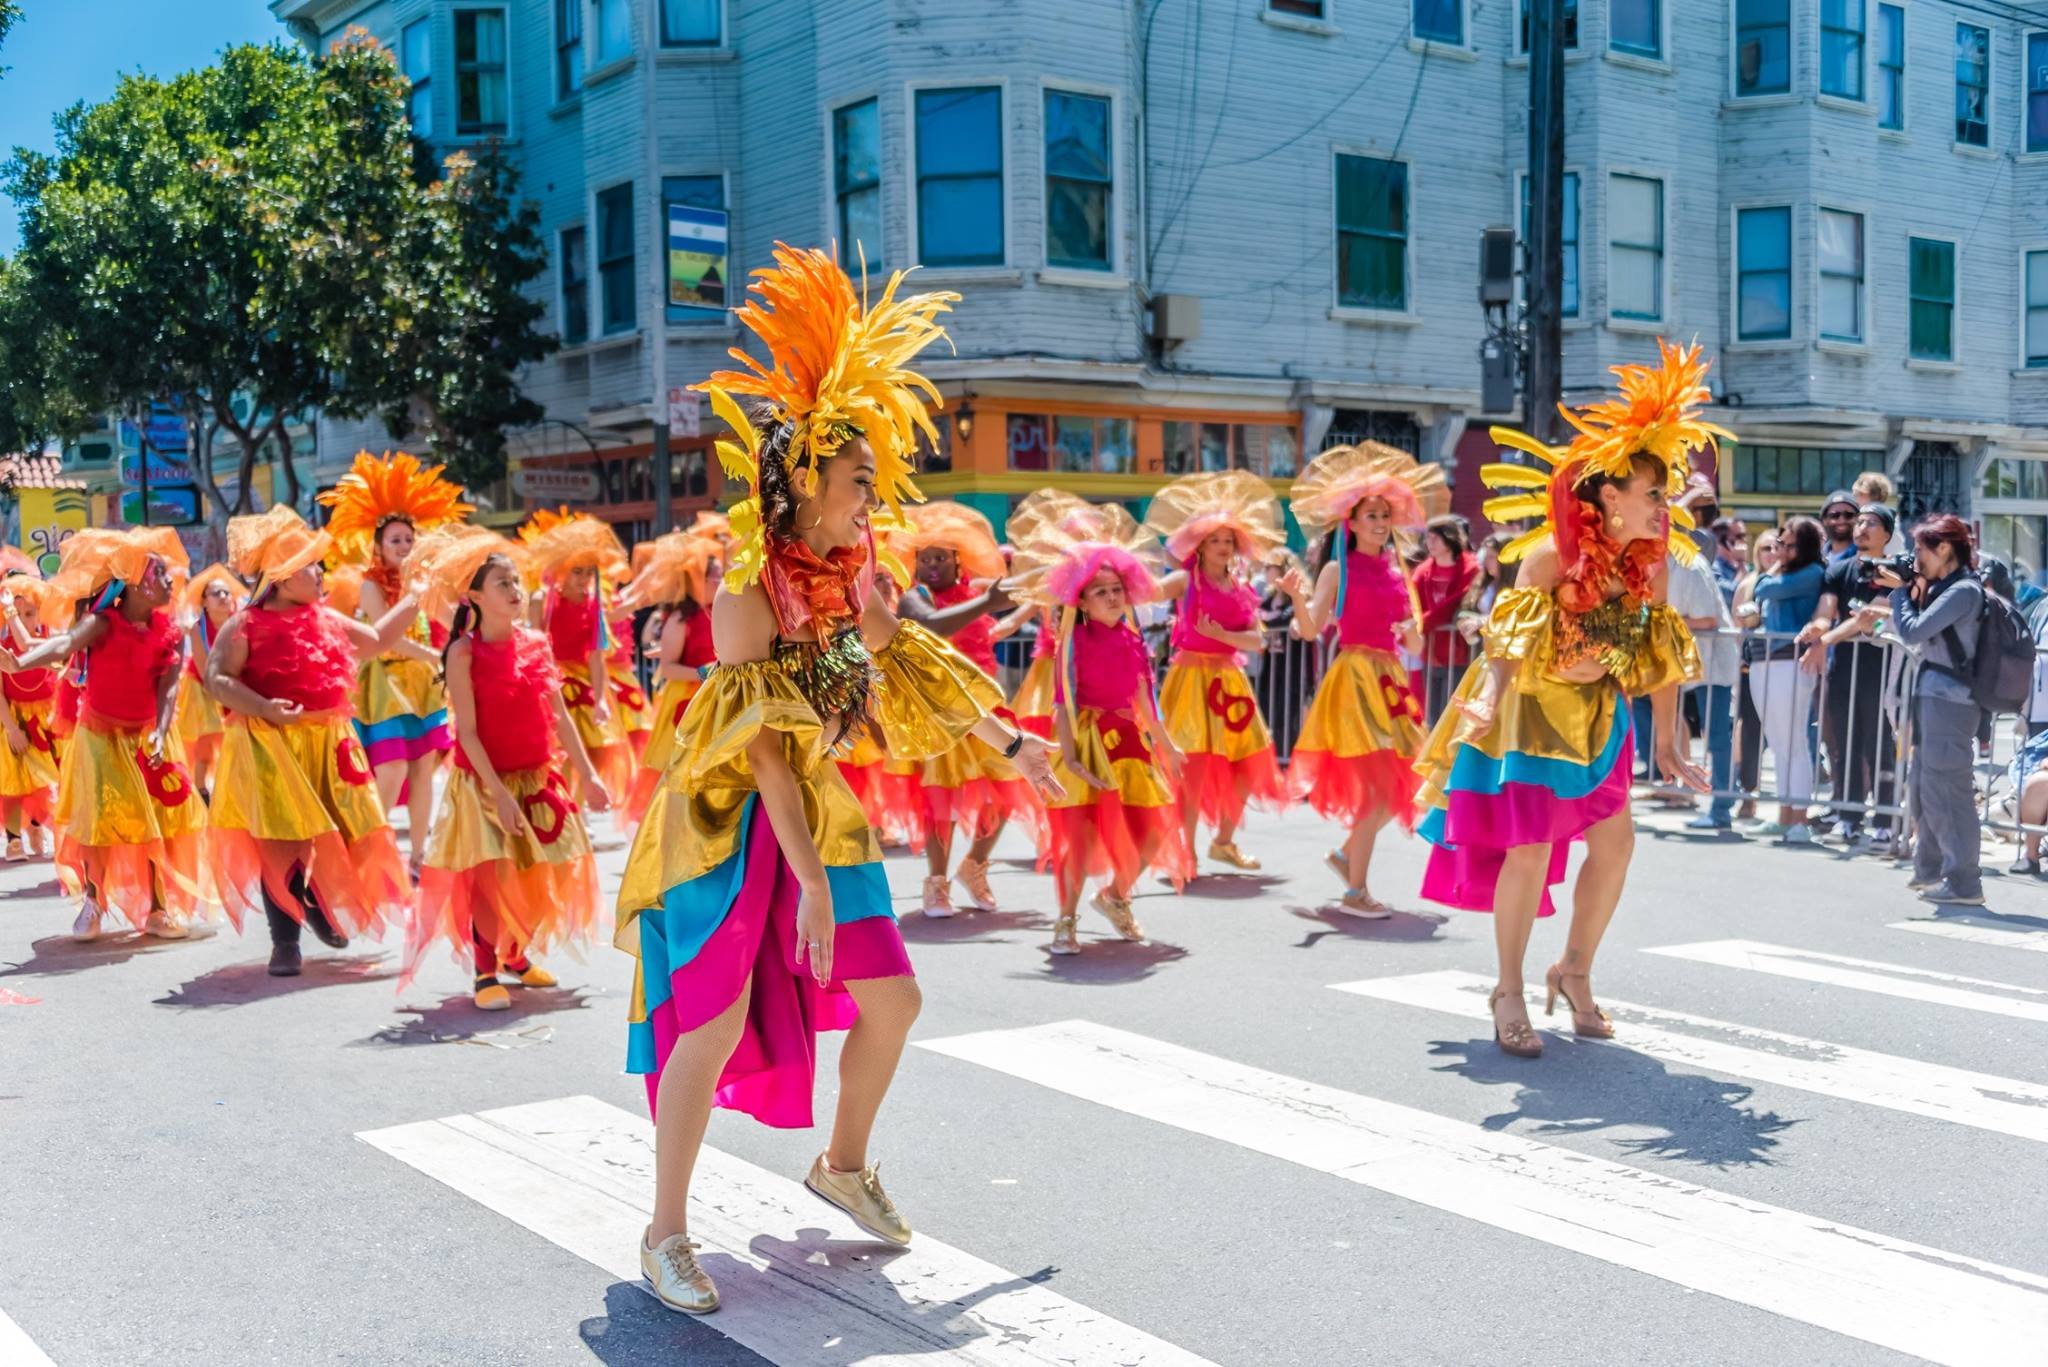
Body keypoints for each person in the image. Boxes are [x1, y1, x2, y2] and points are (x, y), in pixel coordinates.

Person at [614, 247, 1058, 1315]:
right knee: (710, 1019)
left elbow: (907, 667)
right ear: (807, 476)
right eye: (862, 477)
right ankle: (665, 1230)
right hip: (726, 825)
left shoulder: (857, 579)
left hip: (816, 808)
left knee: (894, 998)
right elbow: (758, 744)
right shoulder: (744, 596)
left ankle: (841, 1162)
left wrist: (1009, 741)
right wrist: (807, 876)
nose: (877, 495)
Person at [1415, 339, 1712, 1057]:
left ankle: (1573, 969)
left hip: (1603, 721)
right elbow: (1507, 640)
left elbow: (1659, 656)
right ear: (1609, 496)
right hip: (1531, 720)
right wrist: (1485, 698)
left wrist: (1670, 740)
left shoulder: (1653, 570)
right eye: (1652, 494)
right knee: (1529, 851)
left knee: (1617, 847)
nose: (1663, 507)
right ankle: (1507, 989)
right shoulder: (1551, 557)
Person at [206, 506, 423, 975]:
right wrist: (262, 707)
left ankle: (319, 903)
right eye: (310, 565)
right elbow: (217, 677)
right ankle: (285, 944)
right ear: (282, 579)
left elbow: (378, 639)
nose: (321, 571)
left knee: (348, 831)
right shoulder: (243, 625)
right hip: (272, 747)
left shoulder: (328, 618)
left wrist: (415, 598)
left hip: (330, 741)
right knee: (284, 841)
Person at [405, 529, 610, 1009]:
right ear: (473, 595)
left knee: (544, 869)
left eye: (516, 581)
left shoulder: (537, 642)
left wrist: (591, 775)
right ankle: (484, 971)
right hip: (482, 783)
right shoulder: (463, 652)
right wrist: (497, 792)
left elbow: (560, 719)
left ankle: (516, 954)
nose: (515, 590)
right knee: (490, 875)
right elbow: (468, 733)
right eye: (502, 583)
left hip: (538, 777)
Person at [0, 529, 207, 941]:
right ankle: (93, 902)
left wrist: (162, 733)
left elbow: (168, 690)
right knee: (100, 821)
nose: (170, 582)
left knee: (159, 820)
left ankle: (159, 908)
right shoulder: (102, 622)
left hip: (148, 737)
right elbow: (63, 646)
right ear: (134, 584)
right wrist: (19, 664)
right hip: (99, 737)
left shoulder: (170, 631)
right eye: (160, 574)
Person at [1013, 503, 1190, 951]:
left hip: (1128, 739)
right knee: (1080, 833)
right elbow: (1063, 702)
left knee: (1154, 827)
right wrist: (1069, 756)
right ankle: (1066, 920)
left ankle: (1114, 896)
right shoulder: (1072, 642)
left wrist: (1166, 745)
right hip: (1087, 742)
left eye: (1117, 589)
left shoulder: (1133, 638)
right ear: (1083, 602)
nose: (1113, 598)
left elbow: (1146, 699)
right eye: (1101, 592)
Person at [1281, 442, 1448, 917]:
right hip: (1355, 679)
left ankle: (1347, 858)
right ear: (1350, 523)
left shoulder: (1400, 572)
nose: (1379, 522)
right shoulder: (1338, 568)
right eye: (1370, 515)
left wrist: (1410, 630)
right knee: (1379, 788)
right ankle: (1355, 890)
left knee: (1400, 782)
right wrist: (1296, 597)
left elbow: (1415, 646)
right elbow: (1312, 629)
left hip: (1389, 681)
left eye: (1384, 515)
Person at [318, 451, 472, 870]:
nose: (404, 546)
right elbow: (384, 640)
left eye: (409, 539)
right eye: (396, 540)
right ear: (379, 546)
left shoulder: (425, 582)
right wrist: (434, 654)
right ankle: (372, 852)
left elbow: (447, 620)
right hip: (384, 684)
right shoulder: (370, 584)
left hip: (424, 686)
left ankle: (418, 857)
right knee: (391, 770)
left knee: (425, 772)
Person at [894, 501, 1038, 917]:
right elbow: (932, 626)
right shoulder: (912, 598)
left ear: (959, 560)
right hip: (939, 713)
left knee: (1008, 790)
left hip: (987, 707)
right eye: (927, 558)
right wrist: (986, 604)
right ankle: (936, 884)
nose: (934, 566)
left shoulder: (977, 590)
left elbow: (1028, 586)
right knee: (942, 801)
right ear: (915, 562)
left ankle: (974, 866)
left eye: (942, 557)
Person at [1146, 469, 1291, 871]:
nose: (1224, 547)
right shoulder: (1183, 580)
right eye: (1215, 540)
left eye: (1229, 540)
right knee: (1192, 767)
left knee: (1249, 762)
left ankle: (1224, 841)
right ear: (1200, 545)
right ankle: (1186, 850)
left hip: (1230, 681)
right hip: (1191, 679)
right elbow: (1142, 595)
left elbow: (1257, 639)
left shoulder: (1242, 586)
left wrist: (1223, 634)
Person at [1875, 514, 1985, 906]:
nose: (1915, 557)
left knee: (1949, 791)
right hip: (1935, 697)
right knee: (1924, 787)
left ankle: (1965, 882)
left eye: (1921, 549)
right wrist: (1913, 587)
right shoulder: (1946, 587)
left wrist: (1902, 594)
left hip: (1951, 702)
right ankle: (1931, 869)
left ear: (1944, 549)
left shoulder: (1964, 591)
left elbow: (1914, 630)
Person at [1799, 505, 1899, 849]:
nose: (1861, 527)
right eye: (1859, 522)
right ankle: (1849, 816)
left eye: (1871, 523)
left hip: (1880, 670)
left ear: (1887, 533)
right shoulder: (1839, 570)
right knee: (1845, 744)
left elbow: (1869, 618)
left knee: (1879, 743)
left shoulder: (1895, 570)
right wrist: (1817, 627)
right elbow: (1827, 611)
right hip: (1843, 668)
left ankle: (1885, 820)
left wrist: (1825, 639)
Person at [525, 513, 634, 812]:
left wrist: (601, 699)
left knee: (595, 746)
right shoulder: (542, 600)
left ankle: (579, 802)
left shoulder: (594, 604)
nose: (584, 579)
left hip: (582, 681)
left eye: (589, 572)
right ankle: (563, 801)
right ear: (561, 571)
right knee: (557, 747)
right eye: (577, 572)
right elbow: (534, 646)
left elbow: (597, 658)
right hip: (552, 678)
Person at [618, 531, 723, 828]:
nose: (719, 581)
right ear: (694, 580)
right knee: (684, 769)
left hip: (718, 696)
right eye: (713, 576)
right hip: (687, 700)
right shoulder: (680, 618)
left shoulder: (722, 609)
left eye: (719, 574)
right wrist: (704, 673)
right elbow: (668, 667)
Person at [1748, 516, 1826, 843]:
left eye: (1791, 544)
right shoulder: (1787, 570)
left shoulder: (1812, 573)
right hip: (1765, 661)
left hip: (1790, 663)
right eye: (1781, 543)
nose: (1783, 550)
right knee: (1780, 745)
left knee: (1794, 744)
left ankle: (1800, 819)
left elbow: (1764, 588)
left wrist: (1776, 564)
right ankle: (1784, 814)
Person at [1670, 548, 1738, 829]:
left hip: (1713, 666)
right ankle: (1719, 806)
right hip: (1696, 666)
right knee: (1712, 736)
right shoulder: (1669, 564)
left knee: (1717, 738)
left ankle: (1721, 808)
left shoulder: (1690, 565)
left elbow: (1707, 619)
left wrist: (1663, 621)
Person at [0, 573, 62, 861]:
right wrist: (11, 727)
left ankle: (36, 825)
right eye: (19, 613)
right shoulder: (3, 644)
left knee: (45, 778)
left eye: (31, 613)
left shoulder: (50, 639)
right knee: (12, 777)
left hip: (47, 715)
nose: (26, 620)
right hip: (13, 715)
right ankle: (14, 837)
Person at [176, 565, 242, 797]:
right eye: (216, 593)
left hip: (230, 686)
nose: (223, 597)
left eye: (226, 593)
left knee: (234, 740)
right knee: (207, 735)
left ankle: (230, 789)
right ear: (204, 602)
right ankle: (201, 791)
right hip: (202, 688)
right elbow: (205, 672)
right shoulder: (197, 629)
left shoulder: (239, 624)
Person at [1413, 514, 1479, 725]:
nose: (1429, 543)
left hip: (1459, 654)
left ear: (1449, 538)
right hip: (1430, 653)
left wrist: (1423, 622)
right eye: (1428, 538)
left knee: (1453, 716)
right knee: (1432, 717)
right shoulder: (1423, 571)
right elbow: (1412, 600)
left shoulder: (1470, 568)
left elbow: (1455, 603)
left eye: (1435, 538)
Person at [1818, 490, 1859, 563]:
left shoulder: (1864, 555)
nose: (1842, 520)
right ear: (1824, 520)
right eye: (1835, 516)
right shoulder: (1816, 556)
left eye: (1848, 515)